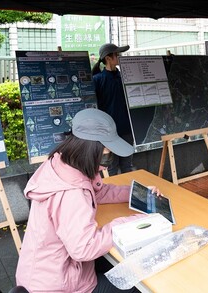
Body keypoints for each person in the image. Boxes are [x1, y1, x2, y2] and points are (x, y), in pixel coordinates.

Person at [16, 108, 161, 292]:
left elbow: (98, 193)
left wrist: (137, 194)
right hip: (59, 286)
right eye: (105, 153)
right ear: (90, 149)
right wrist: (136, 222)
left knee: (122, 263)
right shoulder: (71, 193)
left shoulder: (65, 163)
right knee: (139, 285)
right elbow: (84, 248)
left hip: (50, 272)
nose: (106, 160)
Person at [92, 43, 135, 175]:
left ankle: (128, 194)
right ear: (108, 58)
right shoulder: (97, 80)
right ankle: (113, 195)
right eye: (117, 54)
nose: (119, 57)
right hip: (109, 133)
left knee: (127, 166)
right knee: (111, 168)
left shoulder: (125, 77)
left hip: (127, 130)